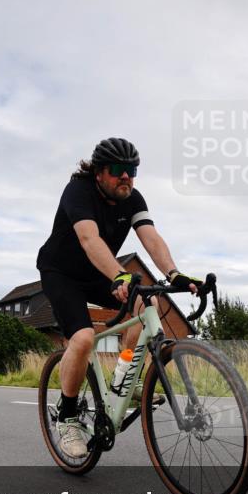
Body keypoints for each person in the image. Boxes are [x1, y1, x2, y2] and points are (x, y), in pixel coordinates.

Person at [36, 138, 203, 457]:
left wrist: (173, 273)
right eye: (118, 170)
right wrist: (118, 275)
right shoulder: (78, 192)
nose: (126, 177)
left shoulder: (133, 199)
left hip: (100, 274)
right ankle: (68, 415)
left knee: (147, 307)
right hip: (62, 274)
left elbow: (150, 237)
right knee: (83, 339)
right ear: (100, 172)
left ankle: (124, 378)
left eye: (132, 170)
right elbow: (89, 238)